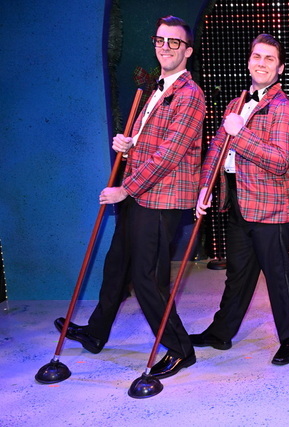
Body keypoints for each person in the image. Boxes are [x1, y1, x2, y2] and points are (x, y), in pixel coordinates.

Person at [54, 15, 206, 379]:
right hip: (142, 194)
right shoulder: (158, 88)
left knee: (146, 277)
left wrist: (125, 189)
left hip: (161, 198)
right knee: (116, 265)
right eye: (160, 40)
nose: (165, 47)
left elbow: (170, 154)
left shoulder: (190, 95)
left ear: (187, 51)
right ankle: (96, 333)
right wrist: (130, 142)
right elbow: (151, 141)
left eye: (174, 42)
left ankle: (180, 349)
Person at [189, 34, 289, 366]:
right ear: (249, 61)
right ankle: (221, 332)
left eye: (270, 58)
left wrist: (241, 133)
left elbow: (279, 160)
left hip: (271, 207)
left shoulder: (283, 107)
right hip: (237, 201)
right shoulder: (236, 103)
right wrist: (205, 187)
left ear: (280, 68)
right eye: (257, 56)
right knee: (237, 274)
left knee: (278, 276)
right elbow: (217, 149)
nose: (261, 63)